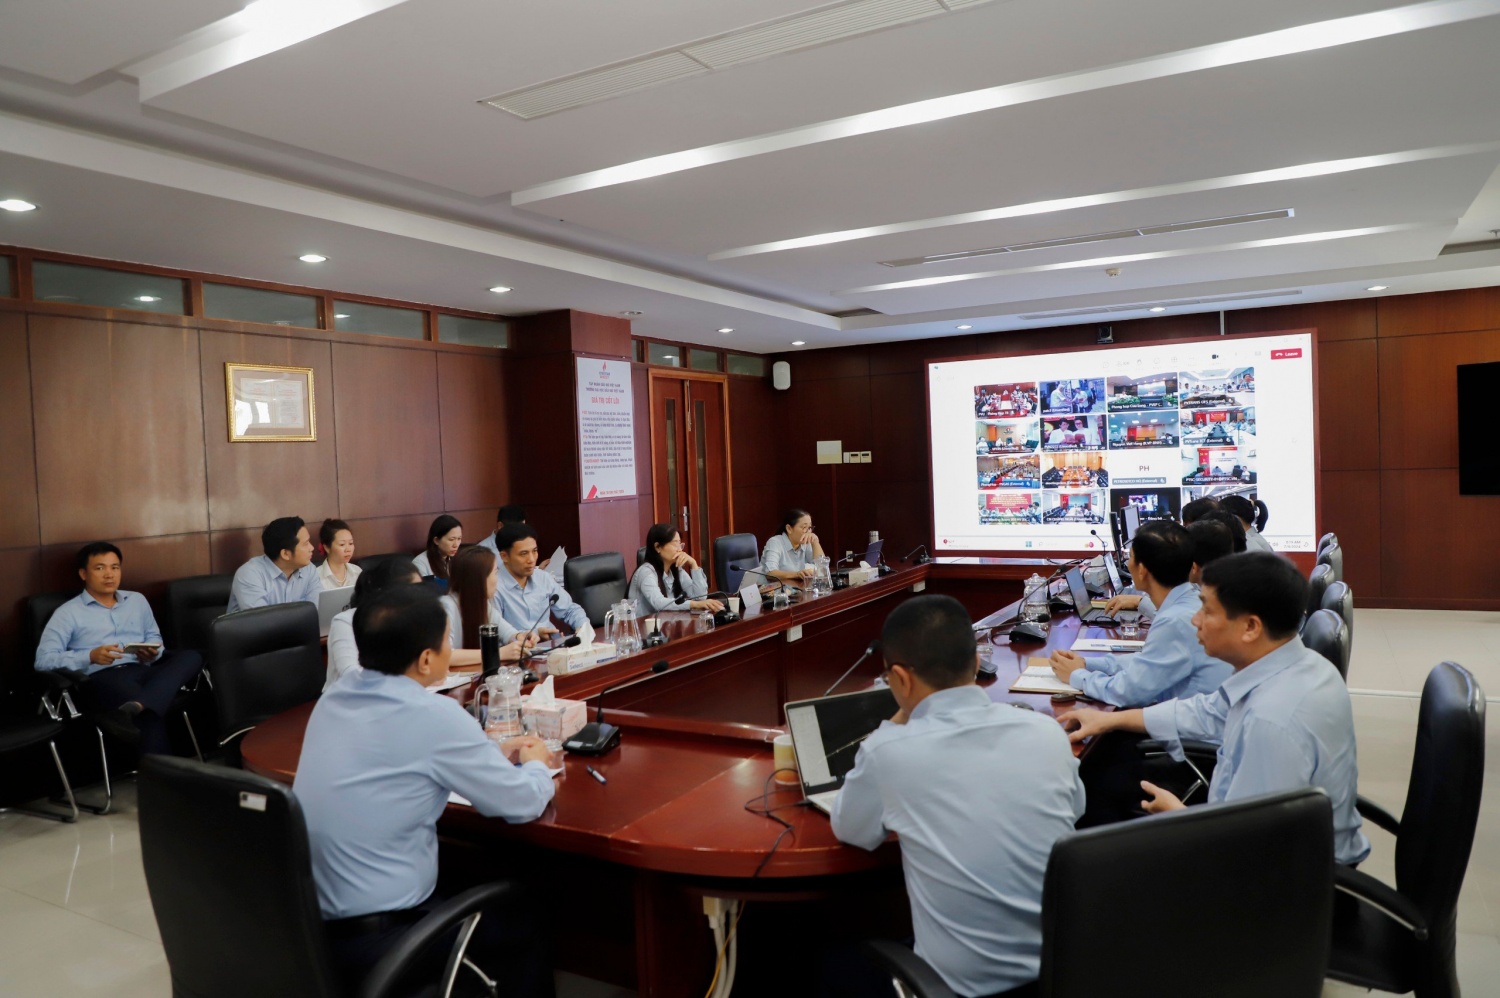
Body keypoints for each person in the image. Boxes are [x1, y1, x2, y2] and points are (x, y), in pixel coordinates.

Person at [294, 584, 556, 994]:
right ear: (426, 659)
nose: (451, 648)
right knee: (524, 913)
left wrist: (489, 751)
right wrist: (537, 764)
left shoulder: (334, 699)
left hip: (312, 931)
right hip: (387, 940)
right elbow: (520, 802)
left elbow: (398, 752)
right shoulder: (433, 713)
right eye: (448, 639)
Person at [827, 595, 1084, 997]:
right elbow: (1076, 807)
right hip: (1064, 973)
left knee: (827, 967)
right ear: (977, 663)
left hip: (962, 989)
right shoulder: (1046, 732)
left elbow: (852, 830)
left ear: (900, 678)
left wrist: (895, 721)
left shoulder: (889, 752)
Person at [1059, 553, 1370, 865]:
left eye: (1206, 610)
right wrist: (1109, 721)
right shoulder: (1301, 664)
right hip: (1262, 840)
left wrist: (1179, 816)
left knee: (1096, 794)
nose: (1195, 620)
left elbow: (1251, 855)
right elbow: (1206, 711)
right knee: (1112, 753)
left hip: (1290, 880)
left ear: (1250, 627)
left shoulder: (1271, 722)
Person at [35, 542, 205, 753]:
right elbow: (43, 660)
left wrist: (152, 653)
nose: (109, 574)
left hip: (143, 669)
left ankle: (132, 708)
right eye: (100, 568)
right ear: (83, 574)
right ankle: (159, 758)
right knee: (149, 712)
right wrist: (89, 656)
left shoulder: (137, 600)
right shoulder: (67, 613)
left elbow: (154, 638)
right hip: (104, 677)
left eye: (114, 567)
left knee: (192, 657)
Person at [1050, 521, 1232, 707]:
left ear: (1142, 570)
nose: (1128, 563)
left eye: (1130, 557)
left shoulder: (1174, 621)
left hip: (1191, 723)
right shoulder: (1193, 600)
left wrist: (1076, 675)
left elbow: (1128, 693)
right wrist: (1086, 663)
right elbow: (1150, 662)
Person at [324, 558, 422, 692]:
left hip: (397, 694)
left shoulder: (410, 620)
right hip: (349, 698)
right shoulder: (345, 622)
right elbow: (351, 675)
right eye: (413, 590)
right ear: (387, 591)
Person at [490, 523, 588, 635]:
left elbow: (570, 609)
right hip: (520, 646)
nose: (531, 559)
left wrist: (582, 627)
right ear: (504, 556)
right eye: (524, 554)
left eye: (534, 551)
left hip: (553, 643)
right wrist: (536, 634)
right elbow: (496, 633)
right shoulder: (494, 588)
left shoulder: (543, 578)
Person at [442, 546, 530, 668]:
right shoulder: (445, 607)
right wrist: (497, 653)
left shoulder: (482, 604)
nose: (497, 580)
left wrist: (519, 637)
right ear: (479, 578)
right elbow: (443, 656)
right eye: (495, 573)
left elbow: (506, 632)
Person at [227, 516, 320, 613]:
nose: (312, 548)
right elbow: (261, 619)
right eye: (306, 544)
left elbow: (318, 611)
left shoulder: (309, 569)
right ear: (285, 554)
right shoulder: (250, 575)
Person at [629, 524, 724, 616]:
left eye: (680, 544)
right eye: (675, 544)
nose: (680, 550)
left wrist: (693, 564)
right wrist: (694, 604)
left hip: (667, 622)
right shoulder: (646, 572)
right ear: (658, 547)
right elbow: (659, 603)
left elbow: (700, 597)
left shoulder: (676, 569)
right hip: (643, 625)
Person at [761, 508, 825, 585]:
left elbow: (822, 570)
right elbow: (770, 573)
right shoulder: (775, 542)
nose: (808, 532)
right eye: (804, 527)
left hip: (794, 589)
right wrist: (796, 574)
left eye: (810, 528)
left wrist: (815, 542)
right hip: (771, 589)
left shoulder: (806, 542)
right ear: (789, 529)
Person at [411, 514, 461, 580]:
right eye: (451, 539)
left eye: (459, 539)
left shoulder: (458, 560)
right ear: (436, 540)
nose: (456, 545)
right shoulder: (420, 563)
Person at [317, 518, 361, 591]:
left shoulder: (357, 572)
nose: (348, 549)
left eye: (351, 543)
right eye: (342, 544)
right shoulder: (316, 577)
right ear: (327, 548)